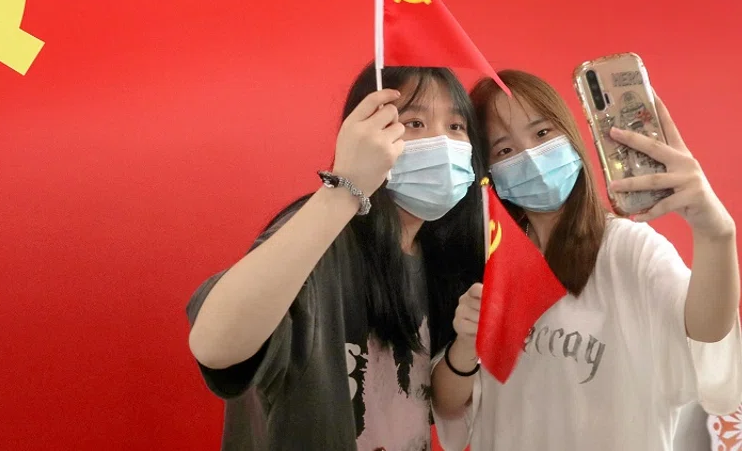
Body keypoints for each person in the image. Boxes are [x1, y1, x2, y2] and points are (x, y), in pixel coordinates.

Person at [431, 69, 742, 450]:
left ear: (572, 137)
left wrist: (716, 233)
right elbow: (448, 404)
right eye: (504, 150)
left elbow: (707, 328)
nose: (530, 155)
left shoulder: (626, 249)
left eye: (543, 133)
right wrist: (466, 342)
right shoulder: (492, 259)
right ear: (489, 173)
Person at [186, 64, 486, 451]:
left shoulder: (439, 257)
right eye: (414, 123)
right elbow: (216, 346)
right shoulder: (322, 236)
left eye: (456, 127)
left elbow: (439, 399)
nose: (441, 142)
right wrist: (348, 185)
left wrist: (468, 340)